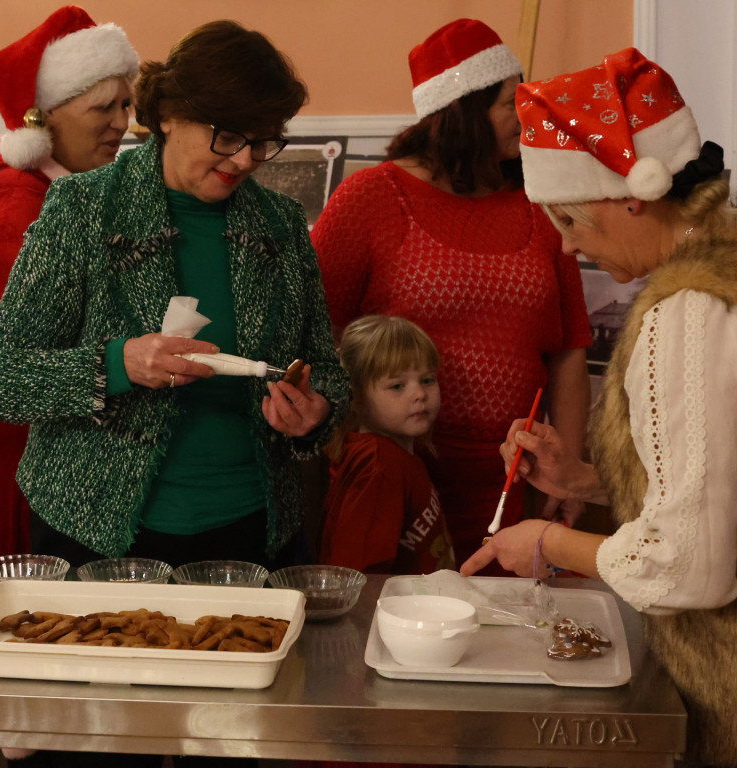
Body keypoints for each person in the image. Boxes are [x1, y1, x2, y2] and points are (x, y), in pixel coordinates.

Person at [0, 18, 346, 581]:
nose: (245, 160)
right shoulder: (82, 209)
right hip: (96, 530)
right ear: (168, 115)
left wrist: (314, 413)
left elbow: (326, 370)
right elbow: (2, 380)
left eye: (264, 139)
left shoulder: (282, 225)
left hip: (248, 530)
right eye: (227, 136)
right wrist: (117, 364)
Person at [460, 48, 737, 767]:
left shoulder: (687, 310)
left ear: (631, 194)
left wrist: (545, 545)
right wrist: (583, 480)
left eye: (571, 217)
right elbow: (715, 486)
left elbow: (689, 568)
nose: (568, 243)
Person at [311, 19, 591, 567]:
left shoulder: (540, 203)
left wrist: (569, 470)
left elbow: (570, 351)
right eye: (510, 103)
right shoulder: (371, 198)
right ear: (461, 114)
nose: (525, 116)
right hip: (397, 476)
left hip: (517, 481)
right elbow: (319, 332)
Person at [0, 5, 139, 565]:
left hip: (54, 443)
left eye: (126, 103)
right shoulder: (17, 201)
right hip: (18, 458)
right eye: (102, 107)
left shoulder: (73, 189)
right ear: (40, 120)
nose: (121, 122)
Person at [320, 315, 454, 574]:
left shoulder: (395, 456)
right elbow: (358, 575)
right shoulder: (378, 464)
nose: (419, 394)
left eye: (427, 379)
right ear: (356, 398)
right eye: (397, 386)